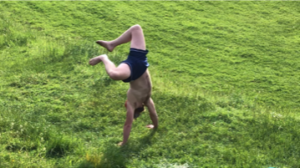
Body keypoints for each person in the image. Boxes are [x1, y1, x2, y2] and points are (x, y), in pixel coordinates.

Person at [89, 24, 158, 146]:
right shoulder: (142, 100)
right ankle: (108, 51)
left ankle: (108, 51)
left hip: (136, 65)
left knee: (136, 28)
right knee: (136, 29)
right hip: (138, 65)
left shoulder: (145, 100)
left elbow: (152, 113)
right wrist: (124, 142)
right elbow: (129, 123)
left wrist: (155, 126)